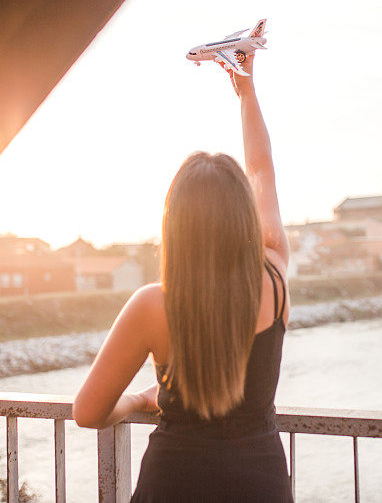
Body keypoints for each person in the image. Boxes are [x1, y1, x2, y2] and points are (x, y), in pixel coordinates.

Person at [73, 52, 292, 502]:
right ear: (243, 217)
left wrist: (139, 400)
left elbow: (88, 412)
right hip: (260, 484)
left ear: (175, 225)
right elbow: (261, 170)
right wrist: (246, 90)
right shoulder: (275, 277)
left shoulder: (154, 305)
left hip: (175, 483)